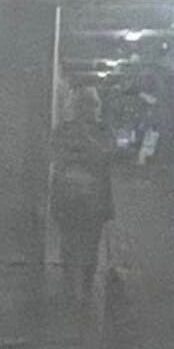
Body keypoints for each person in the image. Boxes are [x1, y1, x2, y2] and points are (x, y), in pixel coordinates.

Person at [48, 84, 116, 298]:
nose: (90, 109)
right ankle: (69, 287)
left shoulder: (103, 130)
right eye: (84, 104)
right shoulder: (64, 130)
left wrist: (85, 142)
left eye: (93, 104)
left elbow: (105, 157)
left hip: (94, 202)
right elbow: (58, 157)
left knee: (91, 245)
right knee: (69, 243)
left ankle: (86, 288)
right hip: (69, 198)